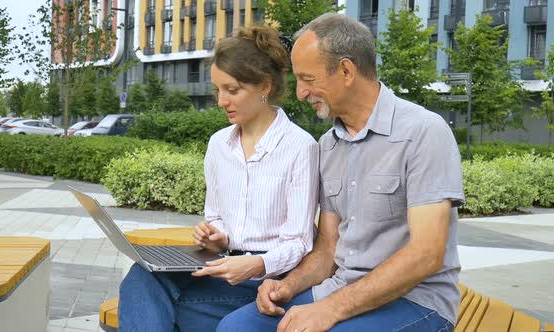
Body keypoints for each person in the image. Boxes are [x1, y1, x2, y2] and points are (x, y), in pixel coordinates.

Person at [217, 13, 465, 332]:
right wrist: (288, 286)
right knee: (235, 328)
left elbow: (426, 255)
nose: (300, 93)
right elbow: (328, 250)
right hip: (338, 290)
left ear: (346, 71)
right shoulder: (329, 145)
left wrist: (331, 309)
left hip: (415, 302)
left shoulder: (423, 132)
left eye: (308, 79)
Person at [118, 25, 320, 332]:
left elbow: (300, 243)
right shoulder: (218, 144)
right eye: (218, 90)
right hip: (220, 270)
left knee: (158, 310)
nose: (221, 101)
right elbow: (216, 215)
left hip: (268, 285)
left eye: (232, 90)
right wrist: (217, 235)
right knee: (141, 277)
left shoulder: (300, 147)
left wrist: (256, 264)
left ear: (264, 86)